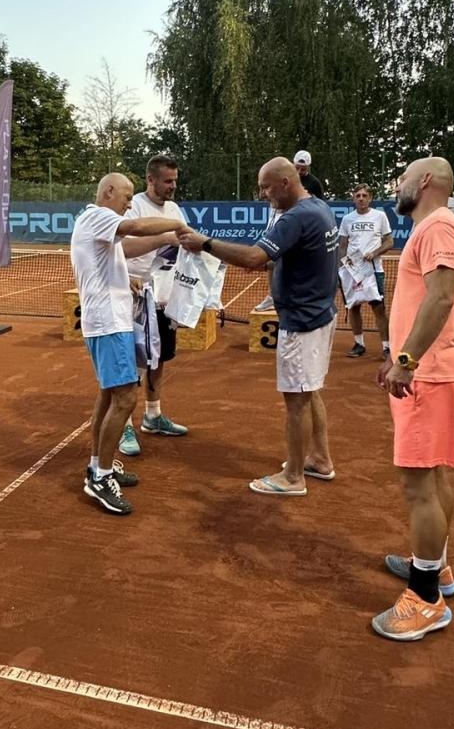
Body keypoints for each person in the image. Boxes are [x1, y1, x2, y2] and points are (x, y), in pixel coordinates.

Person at [181, 157, 339, 495]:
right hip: (320, 313)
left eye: (266, 187)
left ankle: (294, 477)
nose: (263, 194)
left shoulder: (295, 217)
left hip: (301, 320)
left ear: (285, 182)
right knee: (309, 391)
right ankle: (319, 459)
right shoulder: (319, 208)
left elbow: (254, 259)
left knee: (296, 399)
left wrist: (204, 243)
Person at [372, 156, 454, 641]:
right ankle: (436, 567)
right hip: (427, 370)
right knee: (432, 474)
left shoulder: (436, 226)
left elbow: (441, 298)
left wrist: (407, 361)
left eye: (404, 177)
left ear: (425, 181)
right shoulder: (436, 227)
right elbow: (422, 301)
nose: (398, 185)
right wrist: (396, 352)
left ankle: (426, 597)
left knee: (420, 487)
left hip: (428, 375)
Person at [70, 173, 189, 516]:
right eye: (124, 196)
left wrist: (164, 242)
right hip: (109, 325)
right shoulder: (97, 216)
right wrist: (176, 227)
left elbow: (128, 248)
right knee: (125, 398)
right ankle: (100, 476)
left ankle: (98, 465)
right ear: (107, 192)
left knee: (109, 395)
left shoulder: (101, 228)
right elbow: (135, 229)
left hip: (110, 322)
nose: (128, 203)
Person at [118, 155, 190, 457]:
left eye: (175, 180)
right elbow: (116, 248)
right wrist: (128, 280)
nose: (172, 186)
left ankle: (152, 415)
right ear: (151, 179)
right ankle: (124, 427)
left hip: (162, 295)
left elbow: (182, 246)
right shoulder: (132, 206)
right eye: (167, 181)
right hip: (130, 293)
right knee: (131, 362)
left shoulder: (174, 209)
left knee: (158, 357)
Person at [338, 184, 394, 358]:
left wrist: (375, 253)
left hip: (373, 269)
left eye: (364, 195)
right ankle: (359, 344)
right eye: (358, 195)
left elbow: (389, 241)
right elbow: (342, 245)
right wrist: (343, 267)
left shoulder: (380, 216)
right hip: (352, 272)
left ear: (370, 198)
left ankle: (386, 347)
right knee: (353, 306)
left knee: (378, 308)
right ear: (353, 198)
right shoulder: (347, 219)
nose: (361, 198)